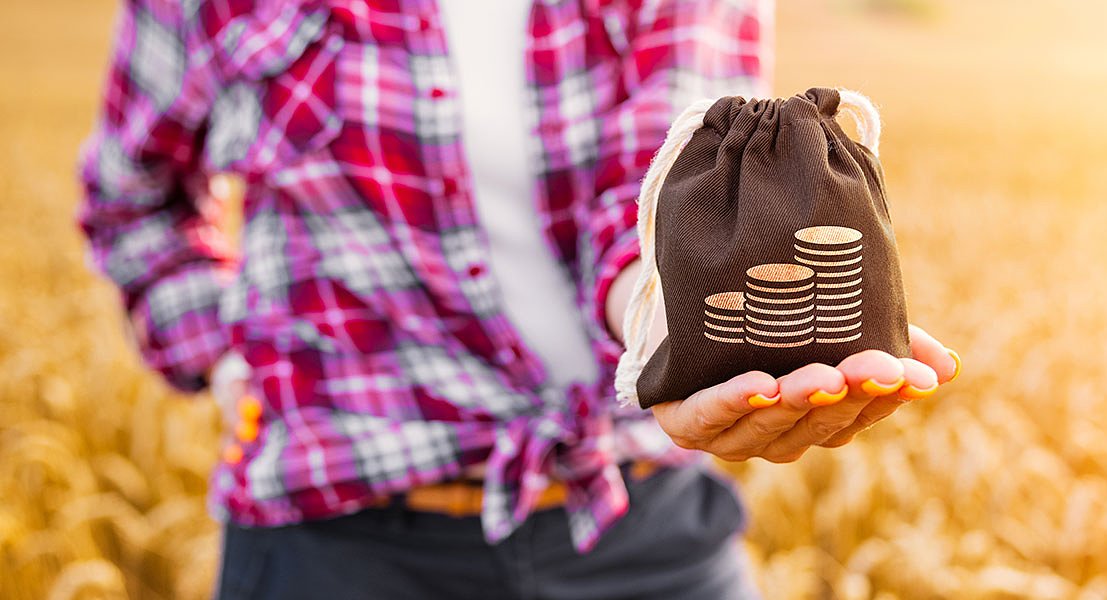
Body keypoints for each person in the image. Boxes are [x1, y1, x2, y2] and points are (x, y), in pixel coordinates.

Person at [78, 0, 960, 598]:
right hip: (332, 542)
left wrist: (668, 331)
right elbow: (131, 199)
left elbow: (660, 189)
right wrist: (230, 362)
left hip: (636, 520)